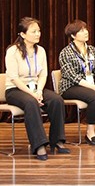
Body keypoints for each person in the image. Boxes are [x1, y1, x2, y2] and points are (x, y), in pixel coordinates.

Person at [4, 17, 69, 160]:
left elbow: (43, 74)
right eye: (33, 31)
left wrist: (39, 91)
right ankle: (39, 145)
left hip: (35, 88)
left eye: (38, 31)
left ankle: (57, 140)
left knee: (56, 100)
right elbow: (14, 78)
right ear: (23, 34)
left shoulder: (40, 51)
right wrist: (32, 94)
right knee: (31, 102)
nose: (38, 34)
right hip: (16, 89)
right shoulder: (13, 51)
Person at [59, 20, 95, 145]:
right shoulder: (65, 52)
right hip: (71, 86)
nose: (86, 32)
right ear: (73, 35)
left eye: (85, 29)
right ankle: (90, 133)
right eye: (81, 31)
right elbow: (72, 76)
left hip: (91, 84)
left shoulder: (91, 50)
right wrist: (94, 88)